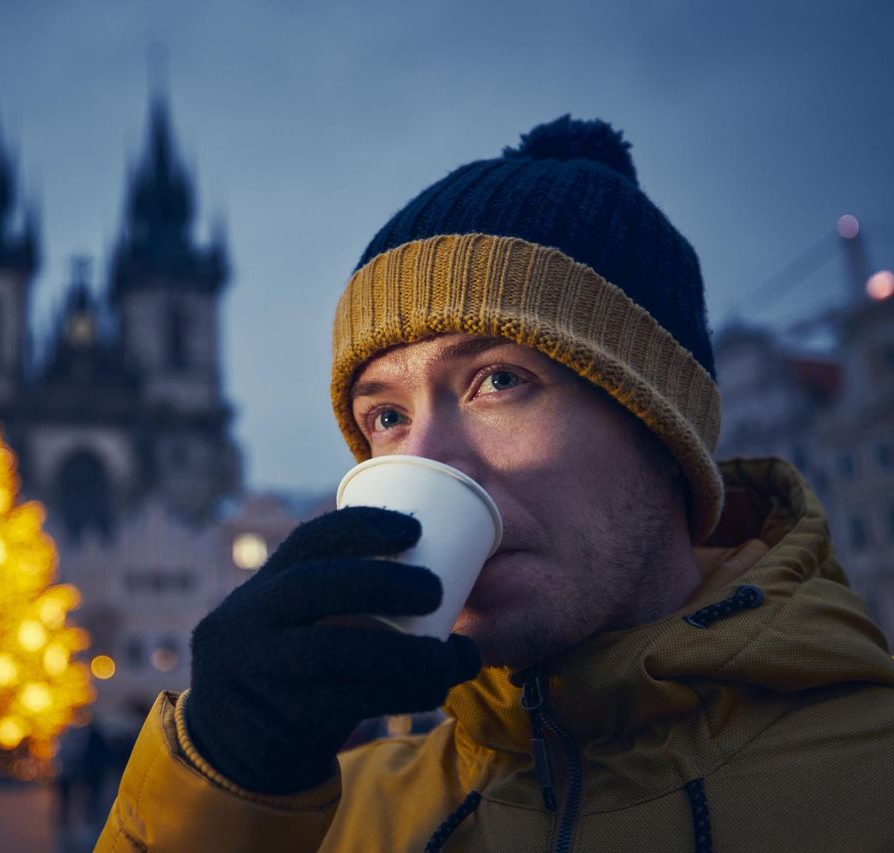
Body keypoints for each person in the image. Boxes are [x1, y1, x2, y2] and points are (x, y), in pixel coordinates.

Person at [95, 116, 894, 852]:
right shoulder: (337, 815)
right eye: (385, 417)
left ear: (661, 427)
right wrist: (216, 781)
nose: (431, 458)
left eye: (499, 380)